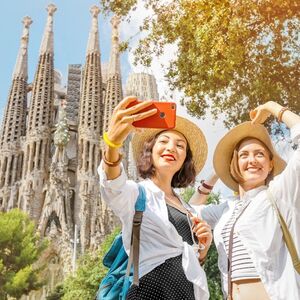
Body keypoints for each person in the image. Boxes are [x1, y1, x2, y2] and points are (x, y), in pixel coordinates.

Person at [99, 96, 213, 300]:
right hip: (148, 292)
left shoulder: (189, 210)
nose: (171, 148)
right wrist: (112, 144)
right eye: (164, 141)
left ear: (184, 160)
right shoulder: (137, 194)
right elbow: (112, 184)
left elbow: (190, 262)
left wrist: (203, 249)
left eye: (180, 145)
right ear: (150, 152)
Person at [190, 101, 300, 300]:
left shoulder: (279, 193)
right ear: (235, 163)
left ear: (270, 164)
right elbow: (190, 212)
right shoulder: (227, 209)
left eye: (260, 155)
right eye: (244, 155)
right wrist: (216, 173)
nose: (252, 160)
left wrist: (274, 108)